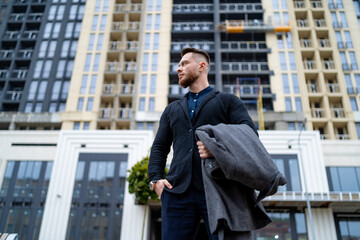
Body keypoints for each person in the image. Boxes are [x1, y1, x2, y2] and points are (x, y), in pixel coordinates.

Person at [148, 47, 258, 240]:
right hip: (177, 191)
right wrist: (156, 180)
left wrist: (216, 148)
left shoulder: (228, 101)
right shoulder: (172, 109)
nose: (179, 69)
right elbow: (159, 147)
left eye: (184, 64)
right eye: (178, 65)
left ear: (202, 66)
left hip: (220, 190)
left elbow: (249, 134)